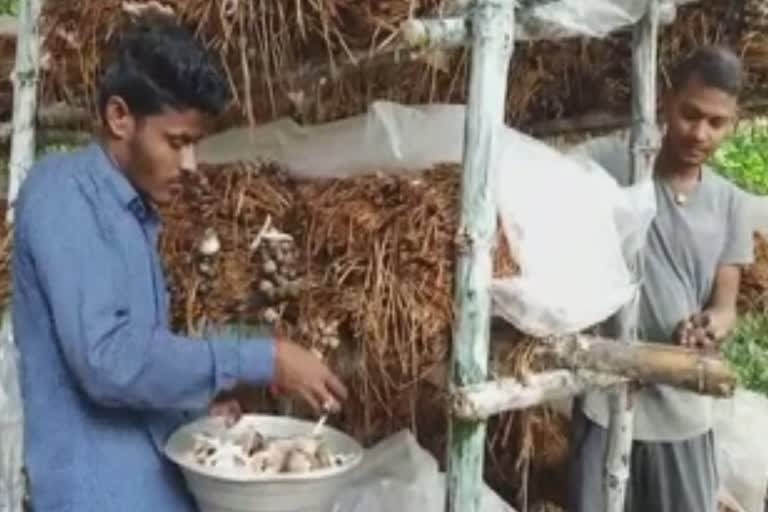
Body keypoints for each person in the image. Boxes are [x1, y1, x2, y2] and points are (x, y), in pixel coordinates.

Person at [12, 16, 347, 512]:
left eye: (195, 144)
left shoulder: (133, 213)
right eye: (176, 141)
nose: (189, 164)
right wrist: (261, 356)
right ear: (120, 117)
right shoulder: (62, 194)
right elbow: (109, 360)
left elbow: (140, 358)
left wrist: (190, 408)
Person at [567, 46, 753, 512]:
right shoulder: (615, 162)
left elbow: (725, 305)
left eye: (717, 122)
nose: (700, 133)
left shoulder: (730, 204)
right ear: (667, 101)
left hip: (684, 411)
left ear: (735, 120)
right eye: (690, 114)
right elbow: (547, 187)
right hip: (606, 399)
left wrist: (709, 326)